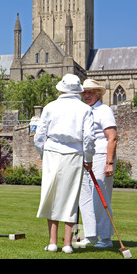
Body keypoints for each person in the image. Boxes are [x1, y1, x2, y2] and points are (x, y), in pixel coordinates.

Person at [34, 74, 96, 254]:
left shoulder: (50, 107)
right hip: (75, 154)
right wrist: (88, 158)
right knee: (70, 197)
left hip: (52, 152)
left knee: (50, 195)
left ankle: (53, 243)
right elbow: (89, 137)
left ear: (61, 88)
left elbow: (40, 135)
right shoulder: (85, 109)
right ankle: (67, 244)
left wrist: (42, 153)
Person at [79, 79, 118, 248]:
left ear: (98, 93)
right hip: (86, 157)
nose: (87, 95)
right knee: (84, 197)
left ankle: (105, 238)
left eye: (91, 92)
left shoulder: (104, 110)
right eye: (84, 92)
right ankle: (90, 236)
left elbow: (112, 137)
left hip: (102, 156)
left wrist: (109, 162)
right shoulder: (82, 111)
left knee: (100, 197)